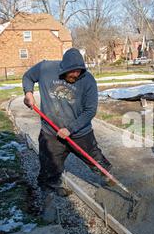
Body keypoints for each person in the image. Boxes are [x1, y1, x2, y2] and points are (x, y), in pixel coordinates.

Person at [23, 48, 112, 219]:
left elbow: (90, 110)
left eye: (79, 71)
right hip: (51, 132)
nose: (76, 74)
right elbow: (28, 77)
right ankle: (48, 198)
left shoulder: (88, 81)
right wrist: (28, 93)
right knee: (49, 168)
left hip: (80, 133)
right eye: (72, 71)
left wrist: (70, 129)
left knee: (96, 159)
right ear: (63, 68)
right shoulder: (46, 69)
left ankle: (111, 181)